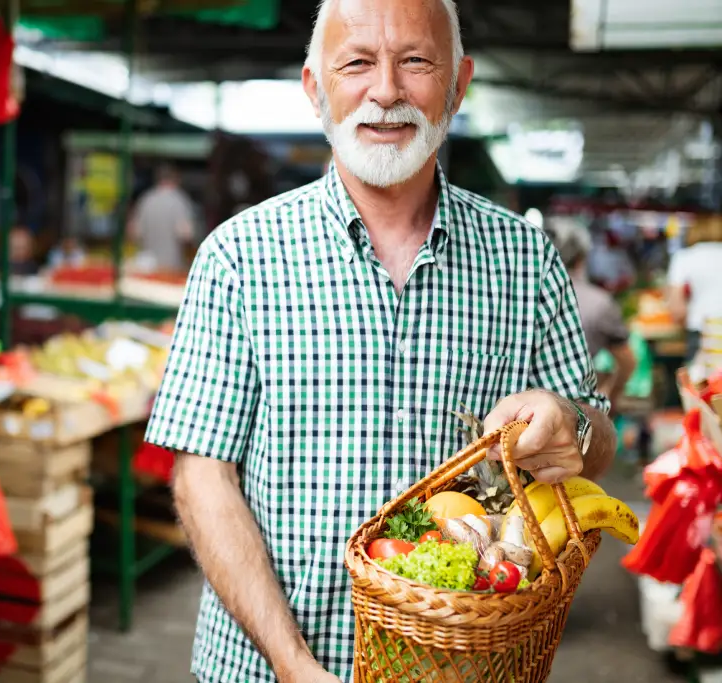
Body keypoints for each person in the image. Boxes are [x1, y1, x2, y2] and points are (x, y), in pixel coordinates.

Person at [144, 0, 615, 681]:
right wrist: (292, 662)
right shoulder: (238, 257)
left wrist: (571, 422)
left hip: (460, 669)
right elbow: (201, 475)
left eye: (417, 61)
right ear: (315, 87)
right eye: (357, 62)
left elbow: (599, 444)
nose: (387, 90)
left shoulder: (524, 259)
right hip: (263, 667)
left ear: (458, 84)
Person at [545, 216, 636, 412]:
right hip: (576, 411)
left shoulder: (520, 295)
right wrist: (613, 392)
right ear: (581, 257)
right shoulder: (599, 302)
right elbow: (627, 361)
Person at [665, 218, 722, 362]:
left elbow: (677, 308)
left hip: (701, 331)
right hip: (707, 331)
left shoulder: (684, 257)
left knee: (701, 382)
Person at [127, 163, 197, 273]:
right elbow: (186, 235)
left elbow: (133, 233)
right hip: (172, 266)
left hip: (147, 266)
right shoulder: (179, 201)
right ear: (176, 178)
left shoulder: (145, 199)